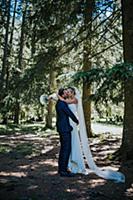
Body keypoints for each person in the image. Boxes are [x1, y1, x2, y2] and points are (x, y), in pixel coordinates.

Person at [58, 87, 125, 182]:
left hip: (71, 124)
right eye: (67, 92)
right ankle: (67, 165)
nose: (68, 93)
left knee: (71, 145)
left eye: (69, 91)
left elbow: (66, 105)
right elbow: (64, 106)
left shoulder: (74, 100)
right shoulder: (64, 101)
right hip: (67, 125)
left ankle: (73, 164)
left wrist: (58, 96)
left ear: (73, 93)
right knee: (67, 147)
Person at [55, 88, 79, 177]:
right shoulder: (62, 103)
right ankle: (63, 171)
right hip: (64, 129)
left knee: (63, 149)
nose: (66, 94)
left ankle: (62, 169)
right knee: (66, 149)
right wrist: (76, 120)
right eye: (65, 93)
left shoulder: (59, 102)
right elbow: (69, 113)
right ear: (62, 95)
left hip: (62, 128)